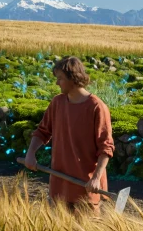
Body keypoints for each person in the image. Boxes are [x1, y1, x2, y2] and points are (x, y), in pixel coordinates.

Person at [21, 56, 114, 212]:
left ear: (73, 78)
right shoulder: (57, 103)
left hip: (87, 186)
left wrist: (96, 178)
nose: (57, 83)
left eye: (60, 79)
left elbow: (106, 147)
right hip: (60, 184)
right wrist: (30, 154)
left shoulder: (96, 107)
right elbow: (42, 132)